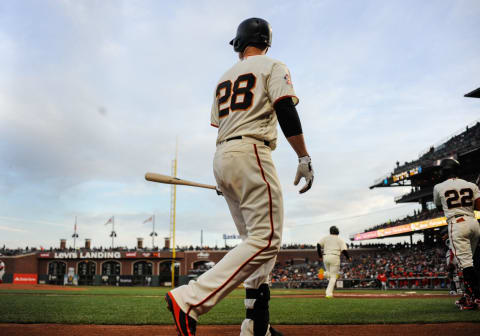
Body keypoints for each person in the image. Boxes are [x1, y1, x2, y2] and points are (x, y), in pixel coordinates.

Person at [165, 17, 314, 336]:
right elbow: (285, 108)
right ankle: (190, 299)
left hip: (223, 157)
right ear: (266, 42)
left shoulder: (223, 78)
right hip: (252, 152)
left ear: (239, 44)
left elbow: (221, 125)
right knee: (267, 239)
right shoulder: (273, 65)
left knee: (255, 242)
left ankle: (255, 323)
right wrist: (303, 155)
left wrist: (229, 175)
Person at [433, 158, 480, 310]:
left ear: (444, 171)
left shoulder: (439, 187)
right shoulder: (471, 185)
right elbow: (478, 206)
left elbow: (439, 206)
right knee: (471, 263)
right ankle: (471, 296)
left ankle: (474, 299)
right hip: (474, 223)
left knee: (466, 264)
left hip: (456, 224)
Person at [317, 226, 351, 298]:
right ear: (337, 231)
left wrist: (320, 256)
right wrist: (348, 258)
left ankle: (323, 274)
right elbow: (344, 250)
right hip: (335, 257)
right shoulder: (340, 240)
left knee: (330, 275)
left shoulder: (325, 238)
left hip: (325, 257)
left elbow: (318, 245)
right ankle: (328, 293)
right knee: (333, 276)